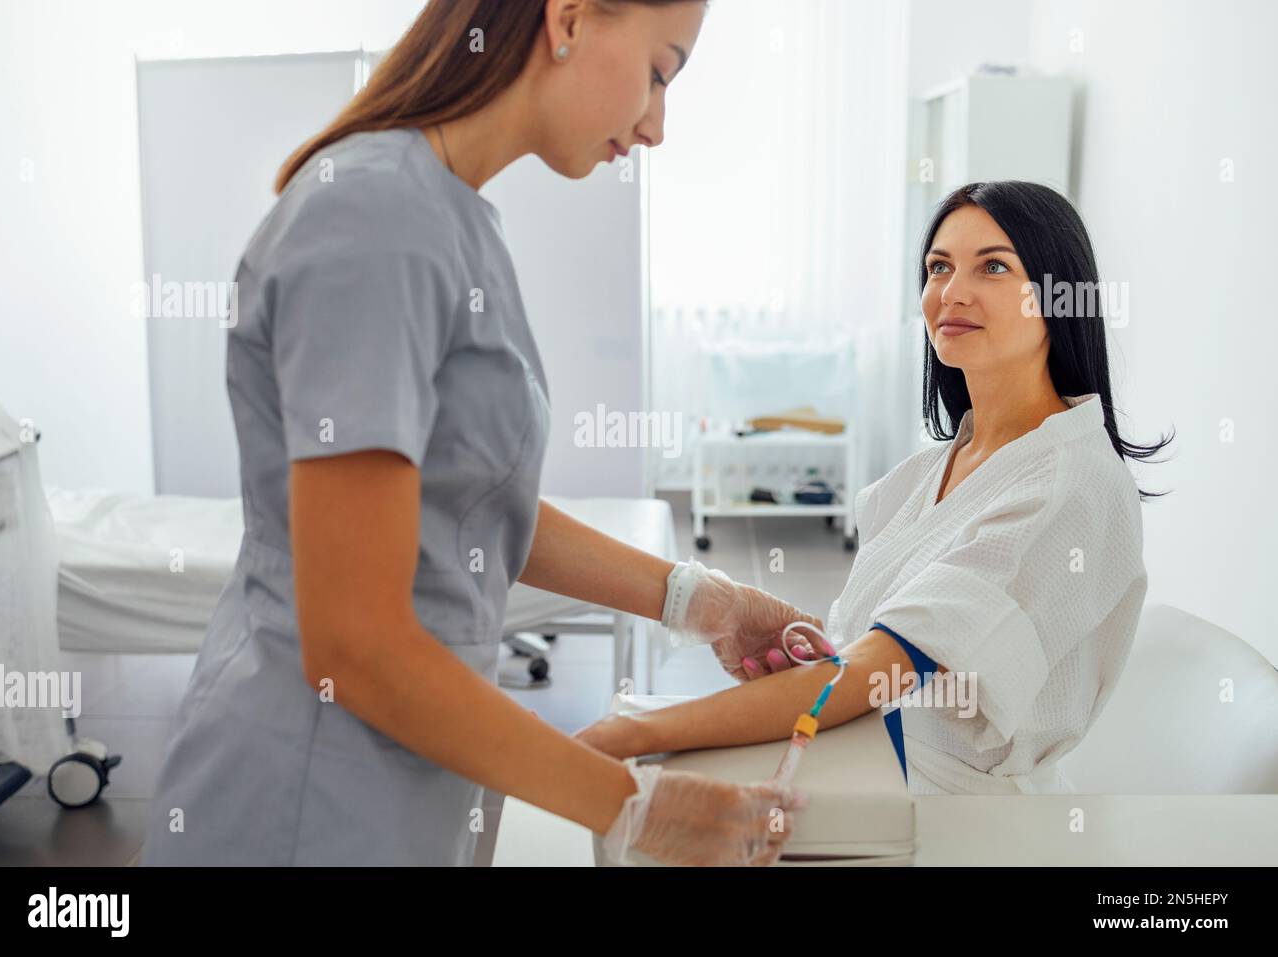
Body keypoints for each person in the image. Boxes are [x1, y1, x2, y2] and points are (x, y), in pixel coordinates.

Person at [142, 0, 826, 867]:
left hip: (403, 783)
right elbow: (355, 643)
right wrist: (635, 807)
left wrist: (706, 603)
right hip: (304, 799)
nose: (656, 125)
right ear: (570, 18)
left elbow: (468, 507)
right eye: (659, 72)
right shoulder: (374, 217)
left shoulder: (453, 216)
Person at [578, 182, 1173, 796]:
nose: (952, 292)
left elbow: (875, 673)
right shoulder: (933, 470)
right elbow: (877, 655)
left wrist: (634, 733)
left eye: (994, 266)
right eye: (938, 267)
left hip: (955, 812)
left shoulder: (1064, 487)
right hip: (865, 754)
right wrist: (820, 659)